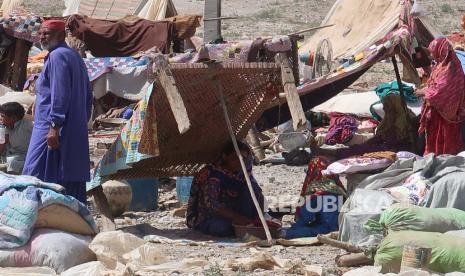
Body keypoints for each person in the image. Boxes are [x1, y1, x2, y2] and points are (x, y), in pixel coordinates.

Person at [22, 20, 93, 204]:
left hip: (51, 126)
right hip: (72, 127)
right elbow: (87, 95)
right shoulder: (73, 56)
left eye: (47, 33)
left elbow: (59, 94)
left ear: (61, 36)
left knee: (34, 173)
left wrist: (55, 125)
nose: (42, 37)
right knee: (68, 175)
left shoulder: (57, 56)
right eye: (41, 33)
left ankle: (38, 216)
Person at [186, 141, 267, 237]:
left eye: (243, 159)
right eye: (234, 158)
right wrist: (237, 217)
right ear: (225, 157)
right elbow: (212, 204)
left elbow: (258, 195)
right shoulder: (212, 174)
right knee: (221, 228)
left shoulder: (244, 174)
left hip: (241, 216)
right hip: (211, 217)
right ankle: (242, 229)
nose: (239, 162)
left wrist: (258, 220)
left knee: (251, 187)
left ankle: (246, 227)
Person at [415, 37, 465, 156]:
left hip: (447, 115)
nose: (432, 55)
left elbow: (441, 91)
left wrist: (423, 93)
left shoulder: (451, 68)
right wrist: (425, 89)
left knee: (445, 140)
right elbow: (434, 83)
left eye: (433, 52)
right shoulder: (440, 65)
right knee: (433, 139)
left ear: (440, 51)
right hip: (436, 114)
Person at [281, 156, 347, 239]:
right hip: (341, 228)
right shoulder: (340, 190)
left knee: (300, 230)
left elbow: (306, 217)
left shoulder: (316, 191)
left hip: (326, 229)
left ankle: (285, 234)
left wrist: (295, 225)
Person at [0, 102, 33, 174]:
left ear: (13, 118)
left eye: (2, 116)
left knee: (12, 163)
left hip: (24, 156)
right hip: (10, 154)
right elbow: (2, 146)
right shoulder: (6, 127)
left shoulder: (28, 126)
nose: (0, 118)